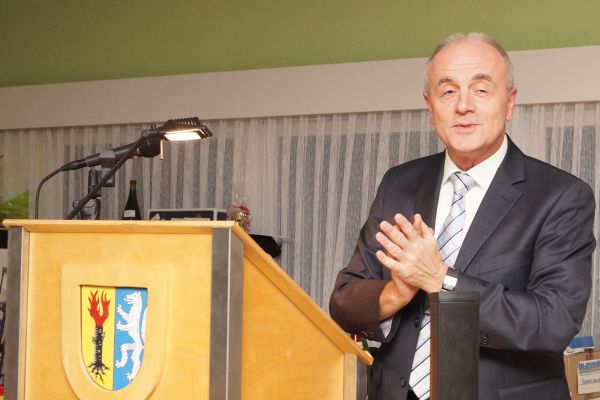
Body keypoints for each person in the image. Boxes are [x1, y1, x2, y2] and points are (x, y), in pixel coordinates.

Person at [329, 32, 596, 400]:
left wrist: (441, 279)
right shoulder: (399, 184)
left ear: (509, 102)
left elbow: (553, 321)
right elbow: (344, 300)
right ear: (430, 106)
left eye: (481, 90)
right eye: (448, 91)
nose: (464, 105)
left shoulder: (560, 196)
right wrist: (396, 292)